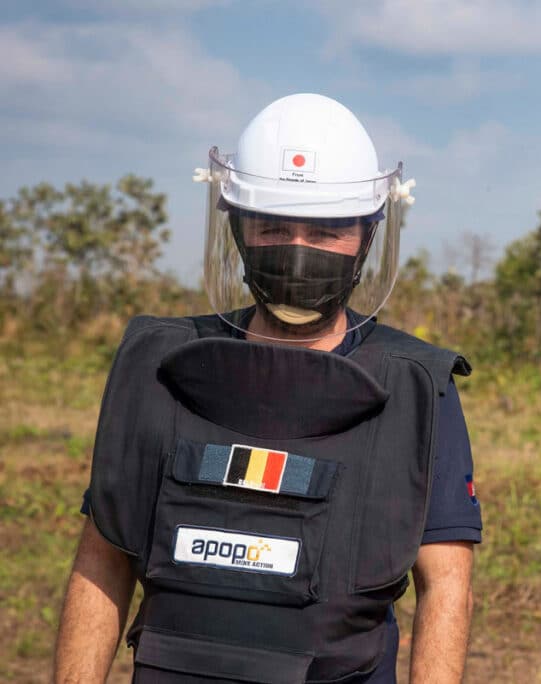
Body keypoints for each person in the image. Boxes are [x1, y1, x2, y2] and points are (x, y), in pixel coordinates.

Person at [54, 93, 481, 683]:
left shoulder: (413, 387)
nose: (298, 252)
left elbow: (447, 587)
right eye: (274, 226)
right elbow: (103, 559)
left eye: (326, 231)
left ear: (367, 235)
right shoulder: (161, 367)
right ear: (237, 229)